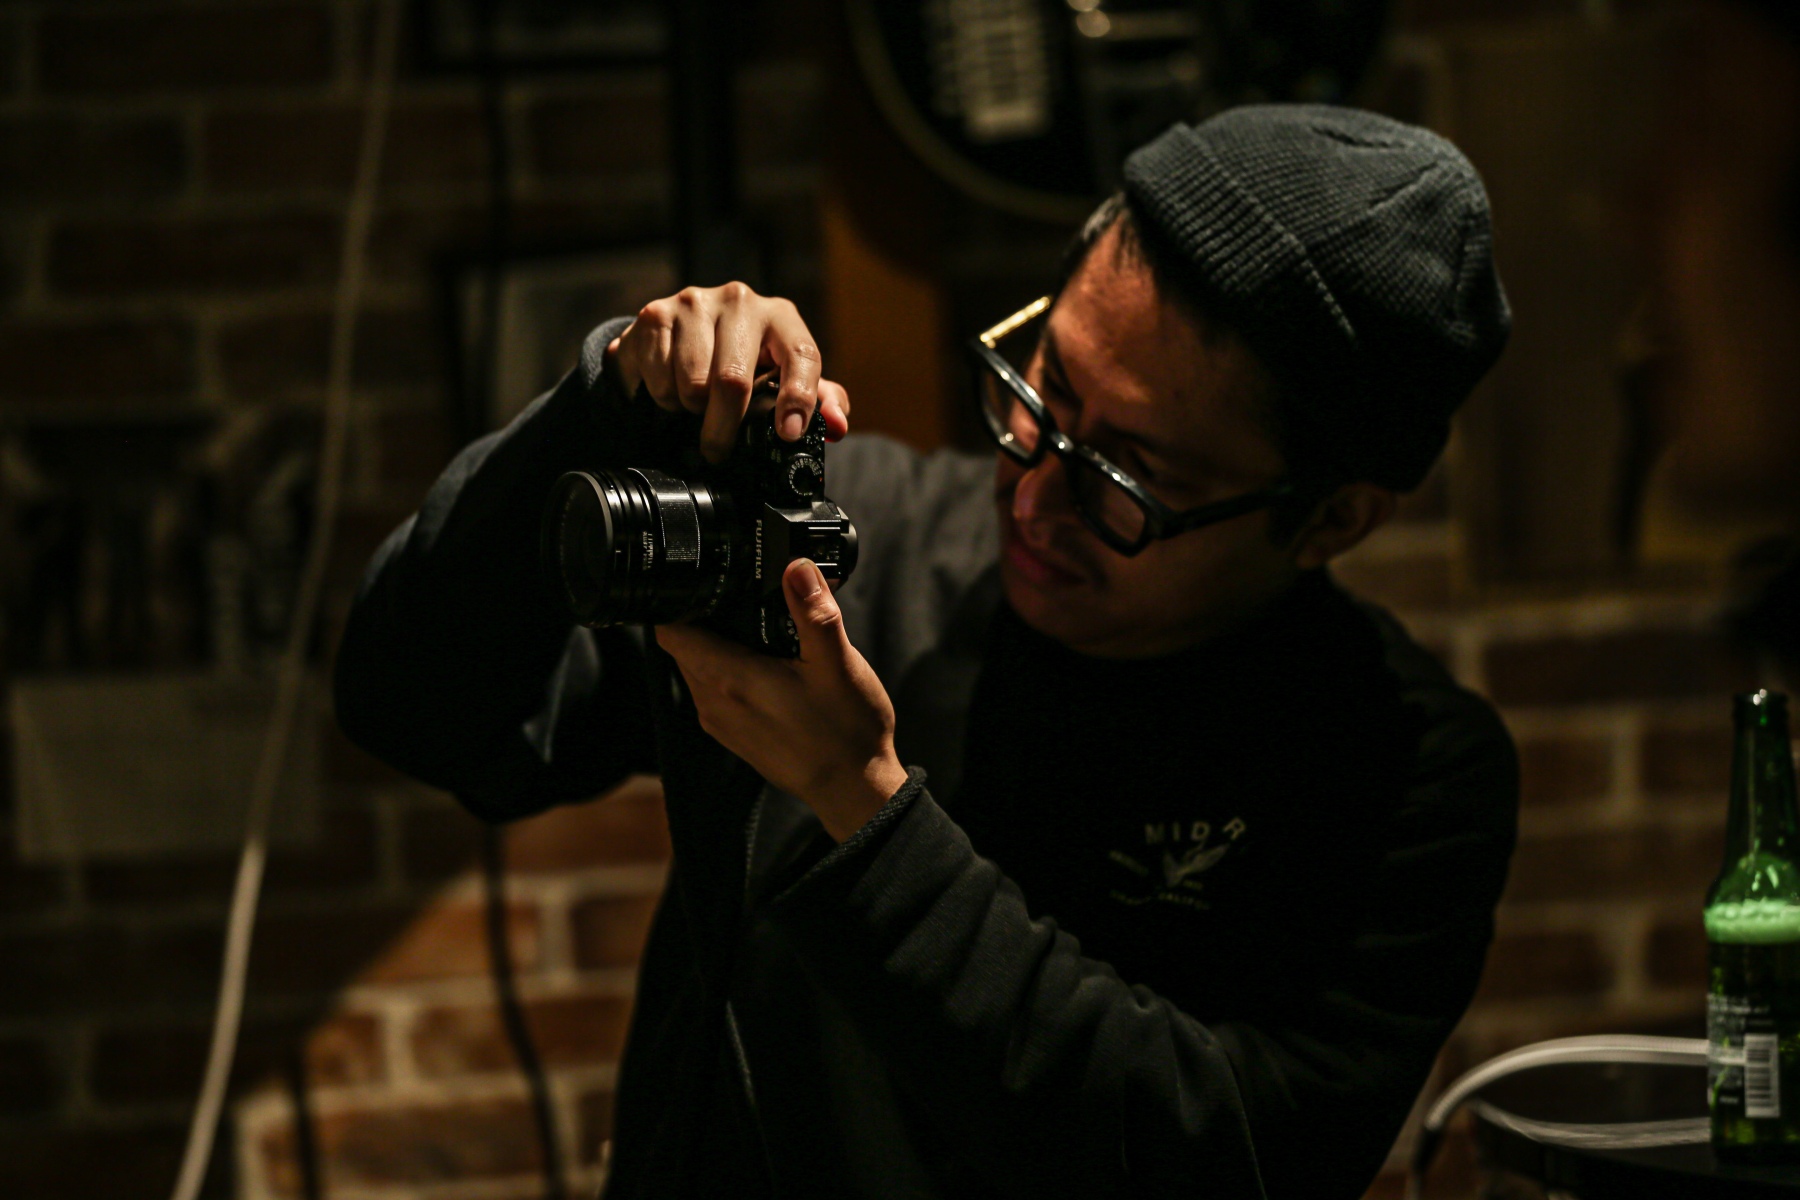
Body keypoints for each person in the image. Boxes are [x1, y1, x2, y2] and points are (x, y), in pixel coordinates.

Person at [335, 106, 1518, 1199]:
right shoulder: (856, 546)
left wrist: (861, 808)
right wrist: (597, 407)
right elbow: (418, 709)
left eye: (1132, 477)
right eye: (1044, 389)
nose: (1035, 497)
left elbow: (1216, 1159)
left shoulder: (1408, 770)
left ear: (1332, 518)